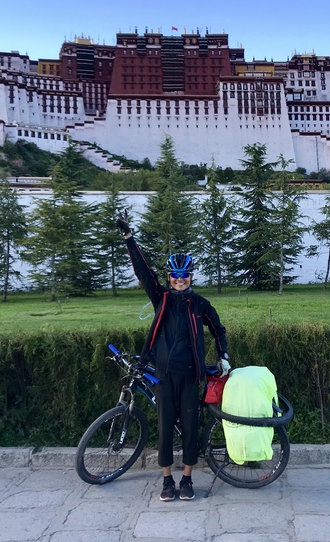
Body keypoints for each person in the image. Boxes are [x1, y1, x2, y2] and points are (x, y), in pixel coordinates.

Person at [117, 211, 230, 502]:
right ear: (169, 277)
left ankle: (188, 479)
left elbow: (218, 329)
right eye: (175, 275)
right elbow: (144, 272)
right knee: (165, 428)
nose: (180, 279)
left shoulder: (200, 303)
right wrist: (129, 239)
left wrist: (224, 355)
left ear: (191, 276)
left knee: (190, 429)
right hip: (164, 375)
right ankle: (167, 480)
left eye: (184, 275)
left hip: (191, 375)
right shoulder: (162, 298)